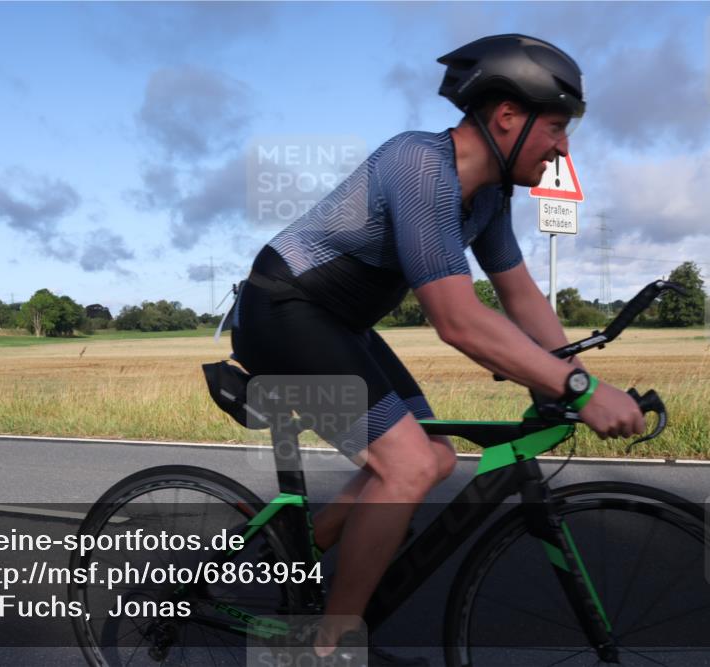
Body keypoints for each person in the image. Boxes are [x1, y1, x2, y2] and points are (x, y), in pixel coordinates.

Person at [229, 33, 645, 665]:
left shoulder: (489, 198)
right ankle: (328, 644)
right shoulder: (420, 164)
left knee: (434, 453)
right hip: (281, 312)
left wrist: (573, 376)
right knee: (408, 464)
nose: (565, 147)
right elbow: (457, 319)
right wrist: (579, 392)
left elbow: (523, 300)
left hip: (342, 325)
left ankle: (296, 551)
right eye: (558, 128)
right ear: (508, 116)